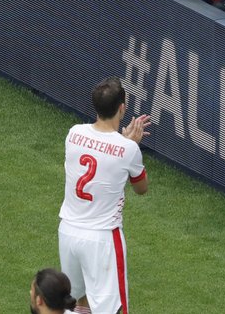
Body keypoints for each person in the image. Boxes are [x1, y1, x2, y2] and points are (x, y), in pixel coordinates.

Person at [58, 78, 150, 314]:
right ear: (122, 108)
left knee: (77, 303)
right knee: (112, 310)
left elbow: (102, 151)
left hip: (68, 232)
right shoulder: (128, 150)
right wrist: (130, 144)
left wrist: (123, 141)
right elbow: (142, 188)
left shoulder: (73, 134)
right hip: (102, 239)